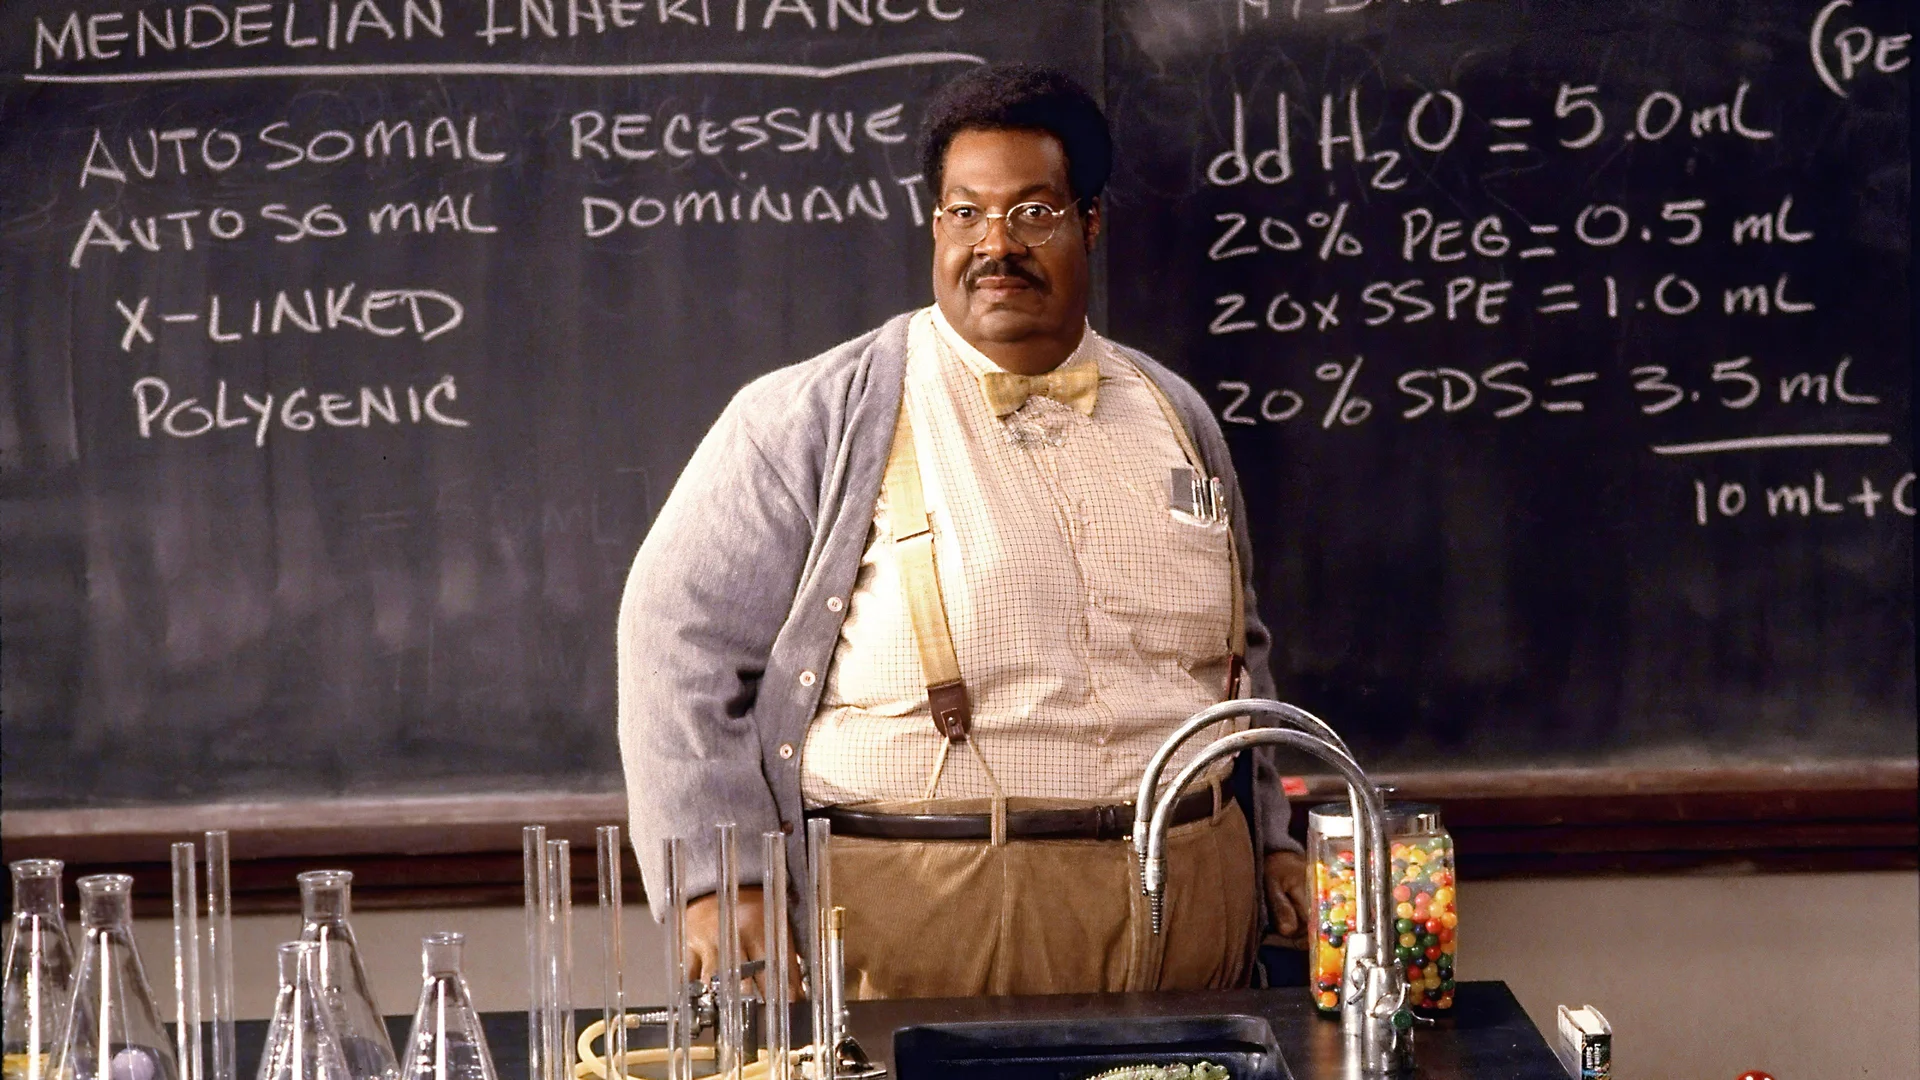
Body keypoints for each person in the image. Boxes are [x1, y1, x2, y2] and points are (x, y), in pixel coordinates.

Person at [617, 63, 1310, 999]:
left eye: (1033, 213)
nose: (997, 244)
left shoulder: (1176, 414)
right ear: (934, 224)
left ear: (1090, 222)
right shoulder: (809, 419)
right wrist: (717, 876)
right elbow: (677, 643)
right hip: (916, 924)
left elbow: (1237, 662)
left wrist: (1270, 840)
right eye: (965, 213)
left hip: (1193, 923)